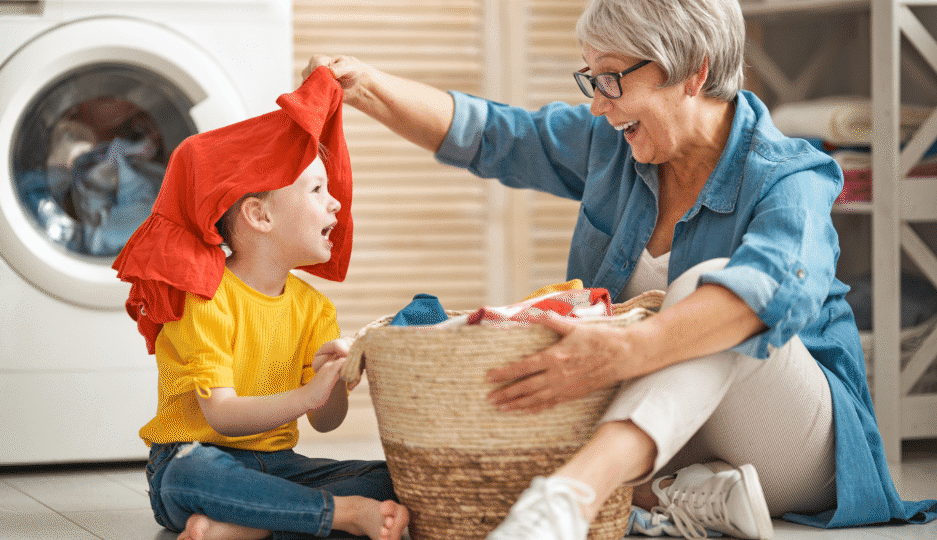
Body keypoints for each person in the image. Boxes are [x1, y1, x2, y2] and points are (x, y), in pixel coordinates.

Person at [301, 0, 937, 539]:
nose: (600, 105)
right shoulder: (615, 146)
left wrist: (626, 350)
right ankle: (693, 496)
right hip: (674, 434)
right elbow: (495, 135)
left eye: (613, 79)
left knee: (705, 290)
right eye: (592, 80)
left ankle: (571, 499)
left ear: (694, 71)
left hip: (798, 447)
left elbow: (771, 290)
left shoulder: (790, 176)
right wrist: (367, 86)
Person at [112, 67, 409, 540]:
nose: (336, 204)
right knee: (191, 471)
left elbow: (325, 423)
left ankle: (246, 527)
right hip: (196, 456)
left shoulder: (314, 308)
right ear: (259, 215)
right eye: (316, 190)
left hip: (278, 467)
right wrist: (307, 394)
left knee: (393, 476)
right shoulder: (204, 297)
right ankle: (336, 515)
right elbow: (223, 417)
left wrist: (333, 383)